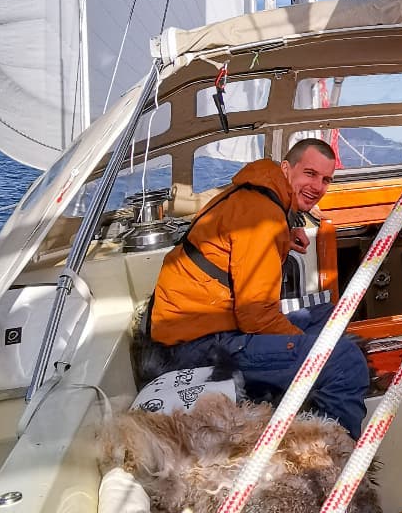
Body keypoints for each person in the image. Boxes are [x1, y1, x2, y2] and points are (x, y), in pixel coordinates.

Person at [146, 137, 370, 436]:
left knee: (328, 315)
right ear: (287, 168)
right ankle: (333, 457)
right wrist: (308, 347)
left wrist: (283, 237)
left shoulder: (255, 196)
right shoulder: (263, 217)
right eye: (310, 174)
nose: (318, 187)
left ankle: (310, 403)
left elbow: (232, 251)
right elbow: (257, 317)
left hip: (201, 325)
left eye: (326, 179)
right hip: (198, 347)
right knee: (343, 359)